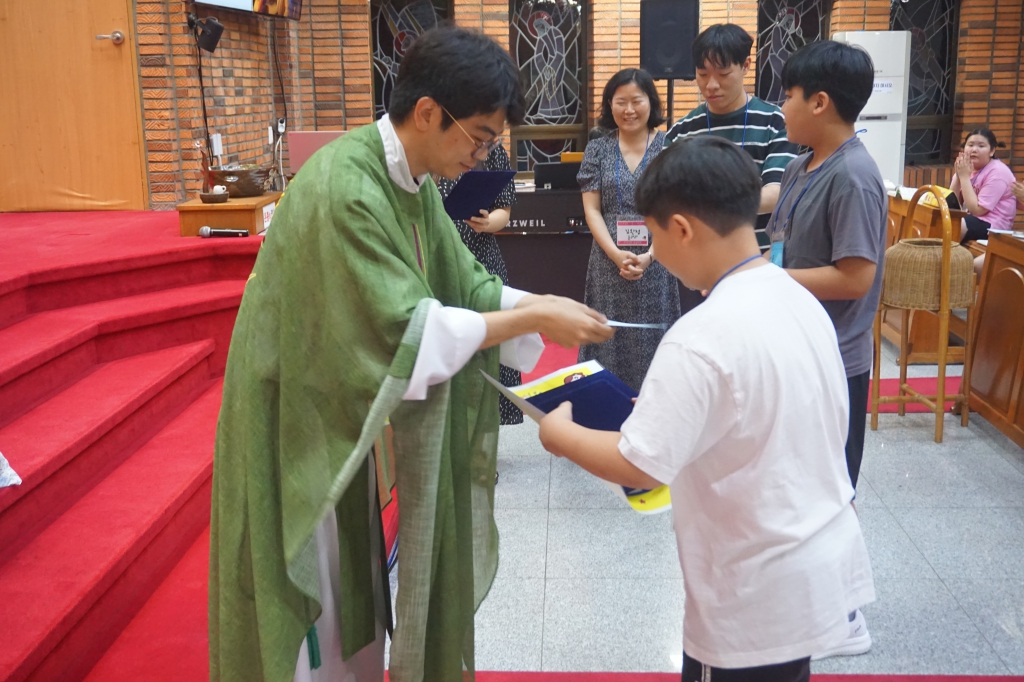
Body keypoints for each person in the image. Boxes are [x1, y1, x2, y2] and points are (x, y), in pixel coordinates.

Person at [208, 26, 614, 682]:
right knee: (314, 617)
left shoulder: (413, 178)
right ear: (428, 112)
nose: (481, 156)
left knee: (353, 603)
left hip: (341, 409)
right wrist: (533, 316)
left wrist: (536, 302)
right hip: (299, 423)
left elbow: (462, 283)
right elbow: (407, 329)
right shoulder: (346, 187)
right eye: (479, 137)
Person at [538, 135, 875, 682]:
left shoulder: (699, 335)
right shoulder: (798, 297)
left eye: (653, 234)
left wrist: (559, 435)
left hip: (751, 593)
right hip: (813, 562)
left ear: (681, 229)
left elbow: (639, 464)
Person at [766, 40, 886, 659]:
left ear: (819, 102)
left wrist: (768, 280)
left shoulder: (854, 175)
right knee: (800, 483)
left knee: (832, 487)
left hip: (835, 360)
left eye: (787, 95)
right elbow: (782, 248)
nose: (780, 106)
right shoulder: (801, 166)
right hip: (796, 347)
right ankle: (811, 597)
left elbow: (855, 276)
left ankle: (845, 614)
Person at [577, 68, 680, 391]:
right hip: (608, 260)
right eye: (620, 102)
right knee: (608, 336)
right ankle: (606, 403)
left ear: (651, 102)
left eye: (637, 101)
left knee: (654, 334)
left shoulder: (668, 147)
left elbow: (675, 209)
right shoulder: (597, 148)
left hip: (659, 257)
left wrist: (650, 255)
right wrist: (615, 253)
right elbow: (592, 209)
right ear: (610, 105)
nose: (629, 110)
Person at [666, 23, 799, 251]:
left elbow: (777, 192)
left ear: (746, 65)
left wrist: (711, 205)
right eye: (702, 74)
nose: (711, 85)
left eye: (723, 74)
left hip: (759, 257)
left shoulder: (775, 121)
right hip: (700, 259)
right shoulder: (682, 131)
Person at [434, 143, 523, 425]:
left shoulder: (492, 150)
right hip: (435, 258)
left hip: (481, 257)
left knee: (489, 343)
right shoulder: (430, 145)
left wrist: (487, 223)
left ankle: (489, 429)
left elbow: (503, 212)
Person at [949, 128, 1018, 276]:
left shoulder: (998, 172)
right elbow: (952, 204)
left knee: (956, 224)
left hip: (993, 225)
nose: (974, 150)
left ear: (992, 151)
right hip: (973, 219)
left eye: (981, 146)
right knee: (947, 219)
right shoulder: (967, 168)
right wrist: (959, 176)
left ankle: (945, 266)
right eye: (970, 145)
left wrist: (964, 177)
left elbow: (978, 210)